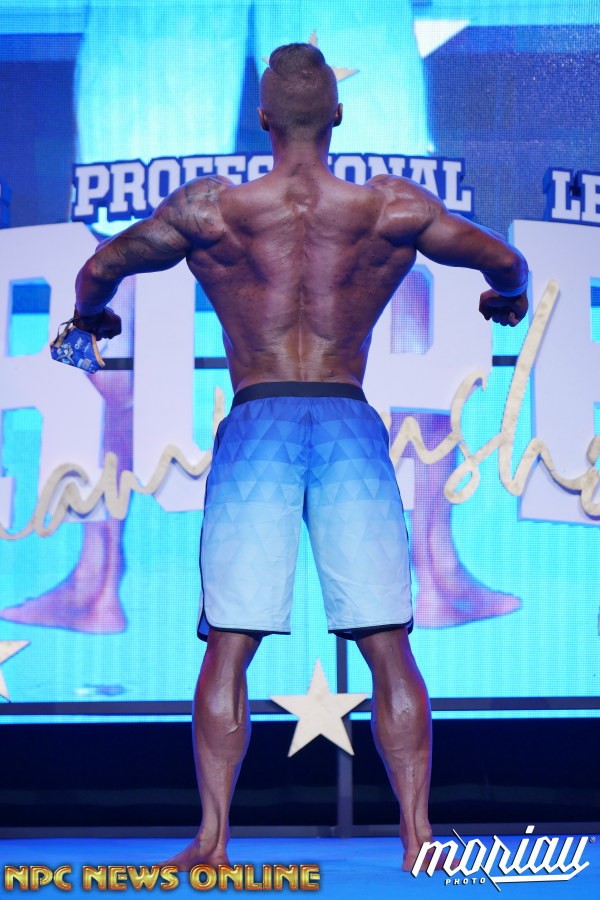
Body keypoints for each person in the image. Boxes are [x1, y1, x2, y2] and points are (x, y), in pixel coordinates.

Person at [72, 44, 528, 872]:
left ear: (263, 119)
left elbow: (100, 266)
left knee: (231, 643)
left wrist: (91, 318)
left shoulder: (211, 211)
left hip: (260, 424)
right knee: (388, 642)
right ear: (339, 115)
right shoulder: (391, 208)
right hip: (347, 422)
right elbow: (506, 261)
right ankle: (419, 837)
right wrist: (509, 297)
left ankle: (214, 841)